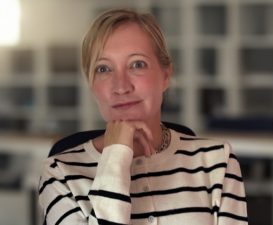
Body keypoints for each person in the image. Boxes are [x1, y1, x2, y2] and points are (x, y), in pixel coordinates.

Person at [38, 8, 248, 225]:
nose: (121, 86)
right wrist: (115, 158)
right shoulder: (60, 173)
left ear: (165, 76)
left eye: (137, 64)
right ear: (92, 85)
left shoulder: (217, 161)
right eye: (103, 69)